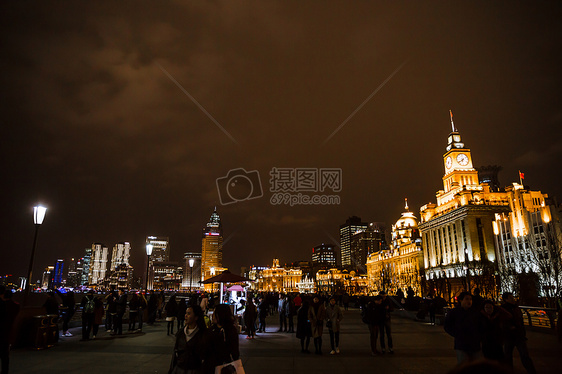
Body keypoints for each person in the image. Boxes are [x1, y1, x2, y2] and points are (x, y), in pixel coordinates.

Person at [501, 292, 537, 374]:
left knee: (524, 356)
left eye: (512, 297)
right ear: (505, 299)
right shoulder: (503, 309)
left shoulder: (516, 308)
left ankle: (531, 371)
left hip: (518, 335)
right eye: (510, 297)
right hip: (509, 336)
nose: (513, 299)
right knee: (509, 356)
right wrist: (510, 327)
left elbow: (521, 321)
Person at [444, 291, 483, 364]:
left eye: (470, 299)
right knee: (464, 366)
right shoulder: (454, 312)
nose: (469, 301)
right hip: (462, 344)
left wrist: (479, 336)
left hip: (475, 344)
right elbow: (447, 326)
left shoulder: (475, 312)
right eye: (467, 299)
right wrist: (457, 334)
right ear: (461, 300)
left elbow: (481, 326)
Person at [204, 304, 243, 374]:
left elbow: (234, 351)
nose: (213, 315)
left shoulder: (229, 331)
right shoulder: (211, 330)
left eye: (215, 313)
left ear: (221, 315)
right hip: (211, 366)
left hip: (223, 367)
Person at [169, 305, 207, 374]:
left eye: (189, 314)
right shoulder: (180, 333)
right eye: (186, 313)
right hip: (180, 368)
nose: (186, 316)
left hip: (194, 370)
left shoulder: (202, 334)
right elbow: (175, 353)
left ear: (196, 317)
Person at [1, 287, 20, 374]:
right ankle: (5, 371)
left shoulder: (4, 305)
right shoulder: (15, 306)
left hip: (2, 330)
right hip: (8, 332)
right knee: (5, 355)